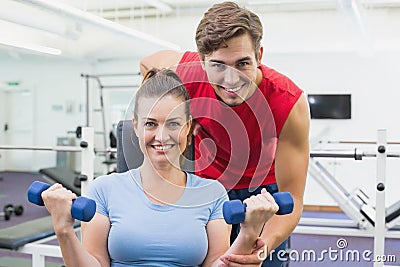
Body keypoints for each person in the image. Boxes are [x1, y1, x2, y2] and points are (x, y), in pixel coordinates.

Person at [41, 68, 280, 267]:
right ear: (136, 127)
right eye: (151, 124)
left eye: (173, 123)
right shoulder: (104, 190)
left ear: (188, 127)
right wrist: (64, 231)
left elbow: (218, 264)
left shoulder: (212, 194)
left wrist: (250, 232)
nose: (161, 136)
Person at [140, 2, 310, 266]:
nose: (231, 80)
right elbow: (147, 64)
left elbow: (294, 197)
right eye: (218, 65)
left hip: (263, 194)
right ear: (202, 60)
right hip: (207, 188)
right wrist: (180, 112)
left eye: (242, 63)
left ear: (260, 55)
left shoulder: (288, 102)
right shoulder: (187, 72)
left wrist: (264, 249)